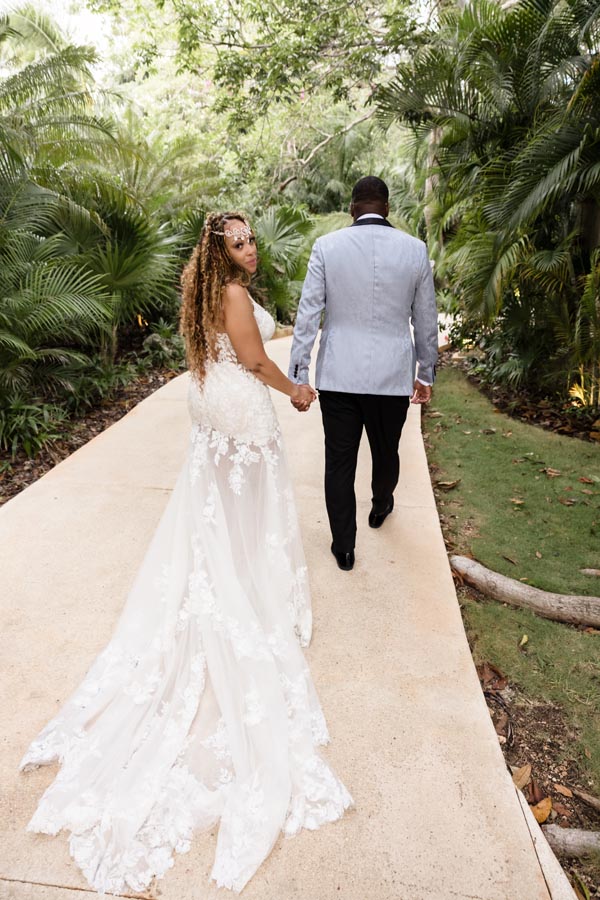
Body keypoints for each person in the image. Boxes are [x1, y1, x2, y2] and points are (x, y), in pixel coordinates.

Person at [19, 212, 352, 894]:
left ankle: (229, 579)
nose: (251, 248)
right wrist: (295, 389)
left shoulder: (201, 286)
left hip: (211, 407)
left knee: (220, 515)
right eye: (240, 242)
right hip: (238, 410)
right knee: (246, 512)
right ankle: (244, 594)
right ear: (221, 252)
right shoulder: (231, 293)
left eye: (251, 238)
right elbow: (254, 359)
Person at [288, 176, 438, 571]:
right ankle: (382, 503)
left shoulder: (327, 247)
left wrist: (299, 373)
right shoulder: (415, 250)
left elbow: (308, 315)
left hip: (339, 376)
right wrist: (425, 373)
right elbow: (426, 319)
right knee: (387, 452)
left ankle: (344, 547)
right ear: (386, 208)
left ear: (352, 208)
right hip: (392, 376)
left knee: (339, 463)